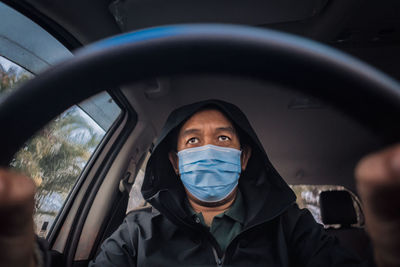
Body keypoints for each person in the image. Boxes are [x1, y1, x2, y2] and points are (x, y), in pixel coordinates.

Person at [0, 99, 399, 267]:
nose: (208, 149)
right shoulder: (137, 233)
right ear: (175, 162)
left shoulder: (292, 227)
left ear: (243, 159)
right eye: (193, 141)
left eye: (223, 139)